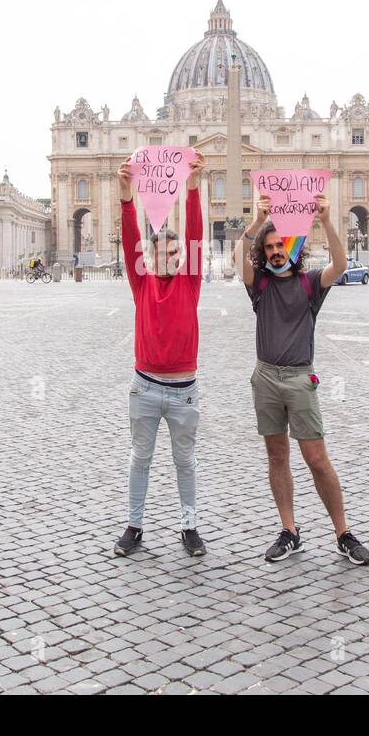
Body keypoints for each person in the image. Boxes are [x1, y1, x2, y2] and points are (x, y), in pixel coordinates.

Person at [235, 190, 369, 566]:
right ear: (263, 252)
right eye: (270, 246)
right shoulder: (259, 286)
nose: (276, 251)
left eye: (282, 245)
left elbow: (341, 265)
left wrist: (326, 221)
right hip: (264, 377)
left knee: (316, 458)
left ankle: (343, 533)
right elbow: (238, 264)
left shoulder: (311, 284)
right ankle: (289, 530)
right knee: (276, 455)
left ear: (294, 249)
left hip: (299, 378)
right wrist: (254, 221)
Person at [112, 152, 207, 558]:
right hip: (146, 386)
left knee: (185, 462)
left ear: (182, 257)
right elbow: (132, 236)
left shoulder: (190, 282)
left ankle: (189, 526)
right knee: (140, 459)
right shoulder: (141, 283)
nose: (168, 258)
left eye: (174, 253)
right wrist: (125, 198)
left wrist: (192, 189)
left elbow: (196, 234)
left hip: (184, 390)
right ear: (147, 259)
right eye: (159, 254)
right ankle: (134, 525)